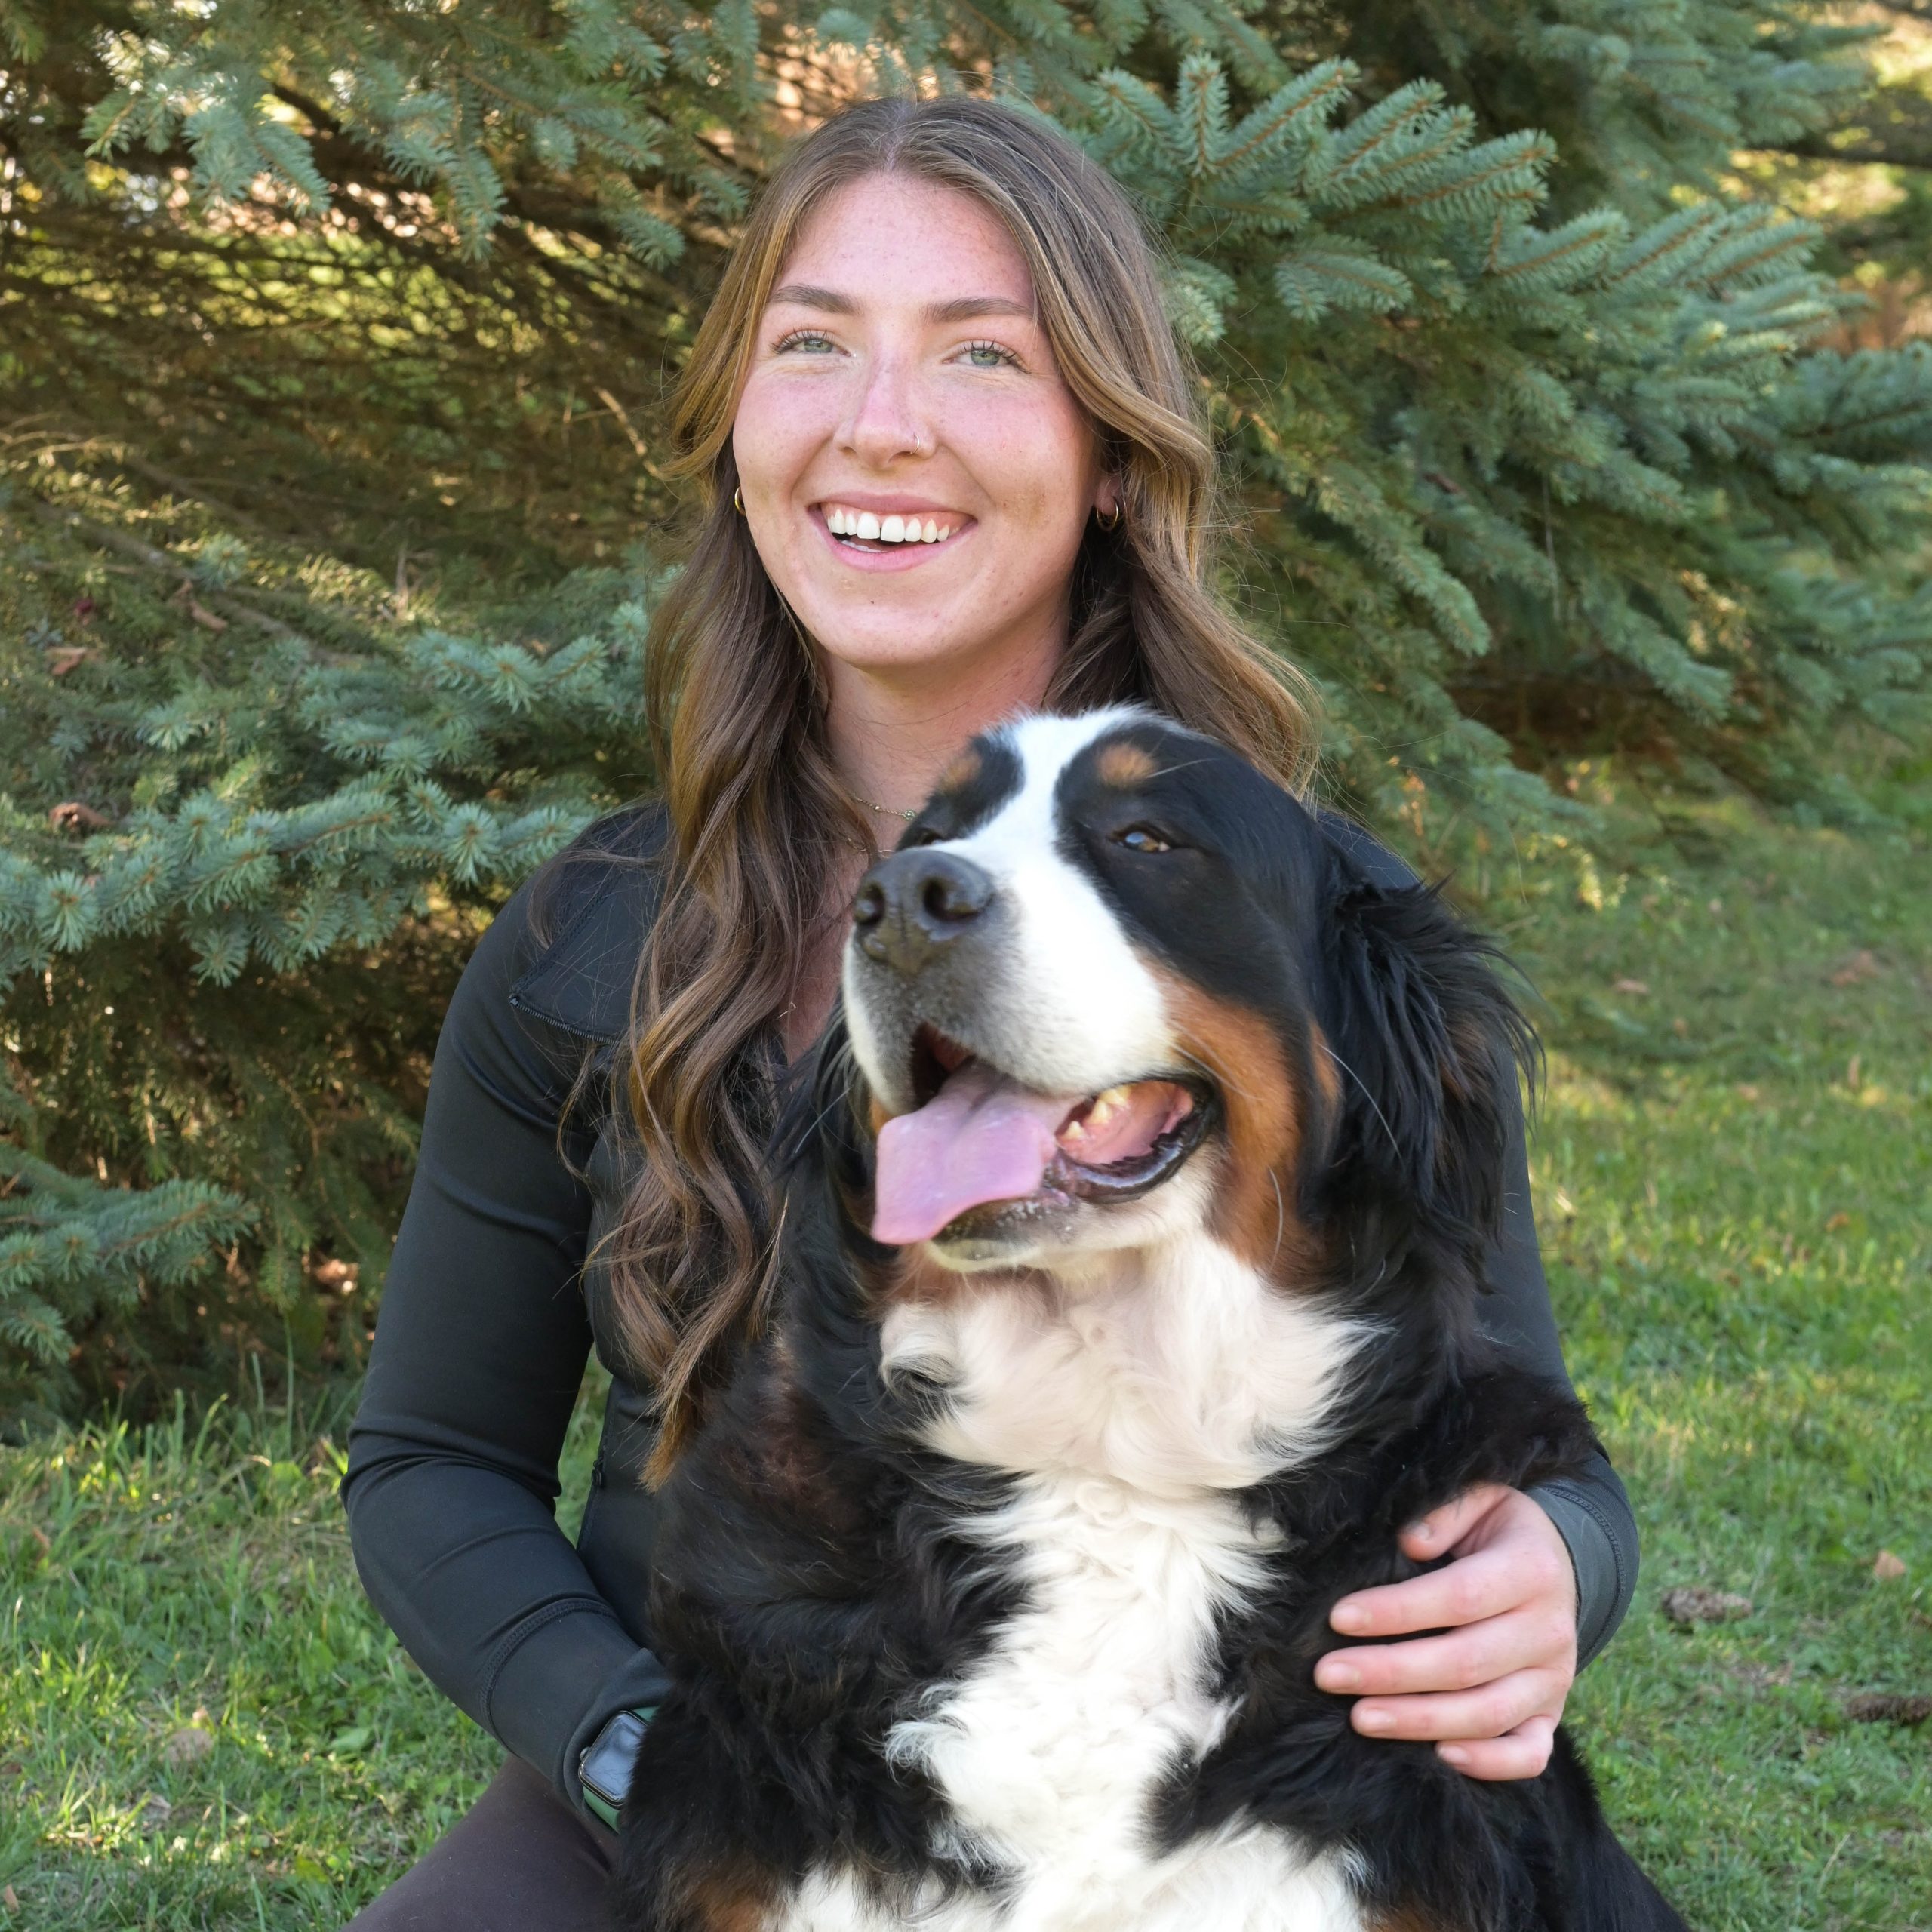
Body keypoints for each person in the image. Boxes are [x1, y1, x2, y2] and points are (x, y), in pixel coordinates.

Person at [340, 94, 1638, 1931]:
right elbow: (430, 1461)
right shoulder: (588, 935)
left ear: (1108, 449)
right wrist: (631, 1744)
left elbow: (1520, 1421)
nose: (880, 422)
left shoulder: (1303, 917)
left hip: (1251, 1741)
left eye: (979, 353)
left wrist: (1555, 1566)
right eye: (812, 344)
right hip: (733, 1752)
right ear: (733, 427)